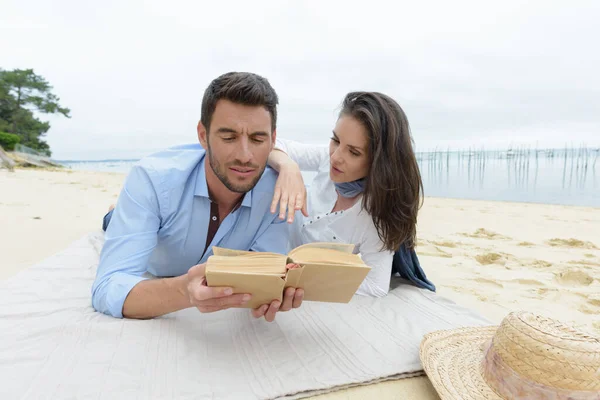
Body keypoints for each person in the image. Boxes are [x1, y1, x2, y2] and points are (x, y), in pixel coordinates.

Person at [92, 72, 304, 321]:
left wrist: (271, 293)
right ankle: (113, 213)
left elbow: (265, 273)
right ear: (203, 136)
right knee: (113, 221)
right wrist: (184, 291)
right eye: (228, 137)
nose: (245, 155)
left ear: (273, 140)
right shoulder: (152, 179)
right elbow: (107, 288)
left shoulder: (278, 193)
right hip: (151, 238)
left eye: (258, 139)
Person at [256, 91, 434, 312]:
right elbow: (274, 145)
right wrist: (288, 167)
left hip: (293, 288)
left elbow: (376, 287)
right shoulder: (328, 159)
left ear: (379, 162)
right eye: (336, 140)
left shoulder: (375, 219)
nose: (336, 156)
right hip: (264, 250)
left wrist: (312, 282)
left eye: (354, 152)